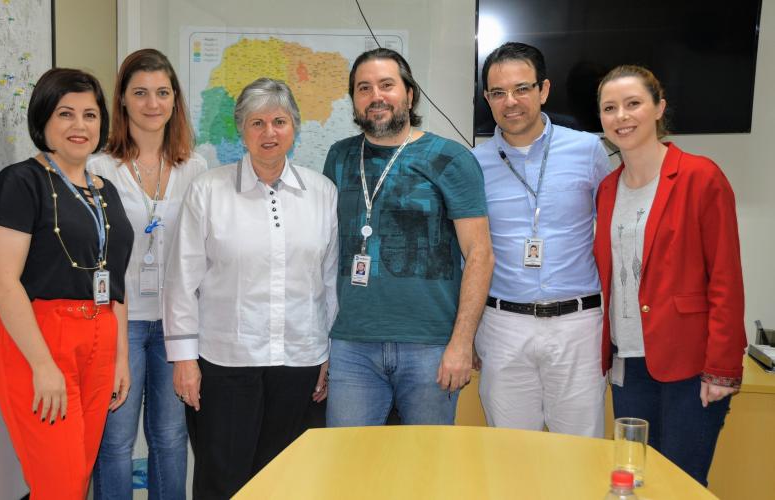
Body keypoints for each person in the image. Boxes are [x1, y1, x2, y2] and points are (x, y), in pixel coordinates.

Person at [164, 77, 337, 497]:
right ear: (241, 129)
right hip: (225, 362)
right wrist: (185, 360)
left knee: (288, 479)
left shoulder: (322, 192)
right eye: (256, 123)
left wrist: (327, 352)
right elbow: (182, 280)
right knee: (222, 478)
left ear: (295, 127)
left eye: (279, 121)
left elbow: (328, 281)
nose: (269, 133)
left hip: (299, 362)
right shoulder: (208, 190)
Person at [0, 68, 134, 499]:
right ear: (43, 119)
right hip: (39, 341)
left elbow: (114, 283)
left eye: (89, 114)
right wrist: (42, 365)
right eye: (66, 114)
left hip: (100, 341)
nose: (79, 126)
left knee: (74, 480)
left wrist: (120, 357)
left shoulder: (106, 191)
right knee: (61, 485)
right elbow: (1, 280)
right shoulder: (20, 182)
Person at [324, 48, 494, 427]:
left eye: (387, 85)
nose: (375, 96)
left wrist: (462, 342)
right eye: (363, 88)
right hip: (352, 345)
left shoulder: (450, 158)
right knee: (347, 470)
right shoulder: (338, 157)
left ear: (410, 94)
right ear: (353, 99)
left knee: (426, 471)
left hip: (430, 346)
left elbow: (479, 253)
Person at [594, 65, 746, 485]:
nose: (621, 116)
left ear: (659, 108)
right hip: (628, 362)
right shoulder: (608, 188)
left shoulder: (700, 176)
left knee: (681, 483)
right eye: (610, 108)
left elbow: (726, 278)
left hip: (689, 364)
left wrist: (721, 368)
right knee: (636, 480)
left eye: (633, 104)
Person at [471, 42, 610, 437]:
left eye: (522, 89)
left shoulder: (587, 150)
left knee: (580, 452)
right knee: (510, 456)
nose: (510, 102)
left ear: (544, 90)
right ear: (487, 99)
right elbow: (469, 252)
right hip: (503, 325)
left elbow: (612, 235)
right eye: (498, 93)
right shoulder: (472, 163)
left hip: (578, 326)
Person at [88, 49, 206, 500]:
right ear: (122, 101)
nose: (152, 104)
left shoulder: (196, 166)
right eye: (140, 93)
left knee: (171, 437)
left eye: (161, 92)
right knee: (116, 439)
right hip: (120, 321)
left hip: (178, 323)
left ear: (175, 100)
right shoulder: (100, 167)